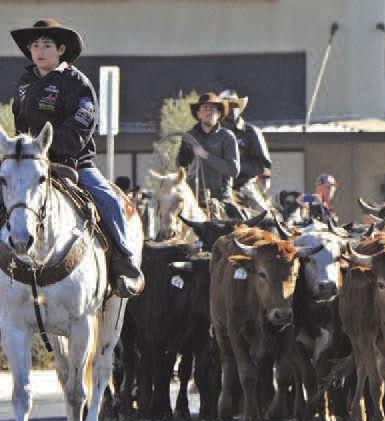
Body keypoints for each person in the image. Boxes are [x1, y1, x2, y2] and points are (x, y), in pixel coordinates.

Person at [9, 19, 143, 296]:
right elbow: (19, 123)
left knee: (108, 199)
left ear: (60, 50)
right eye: (35, 46)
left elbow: (81, 125)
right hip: (30, 164)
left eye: (46, 45)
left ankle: (124, 261)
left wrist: (48, 147)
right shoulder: (25, 82)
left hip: (72, 163)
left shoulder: (76, 82)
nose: (39, 51)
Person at [176, 92, 240, 217]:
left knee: (241, 227)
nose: (208, 112)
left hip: (221, 197)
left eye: (212, 108)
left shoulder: (227, 137)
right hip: (193, 197)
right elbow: (181, 167)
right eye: (205, 108)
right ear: (198, 114)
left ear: (219, 114)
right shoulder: (189, 137)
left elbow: (233, 170)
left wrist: (205, 155)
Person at [219, 90, 272, 190]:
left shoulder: (252, 132)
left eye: (235, 105)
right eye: (229, 105)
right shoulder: (213, 134)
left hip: (245, 186)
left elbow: (263, 164)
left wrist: (236, 167)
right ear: (221, 109)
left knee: (258, 206)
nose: (233, 109)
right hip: (215, 187)